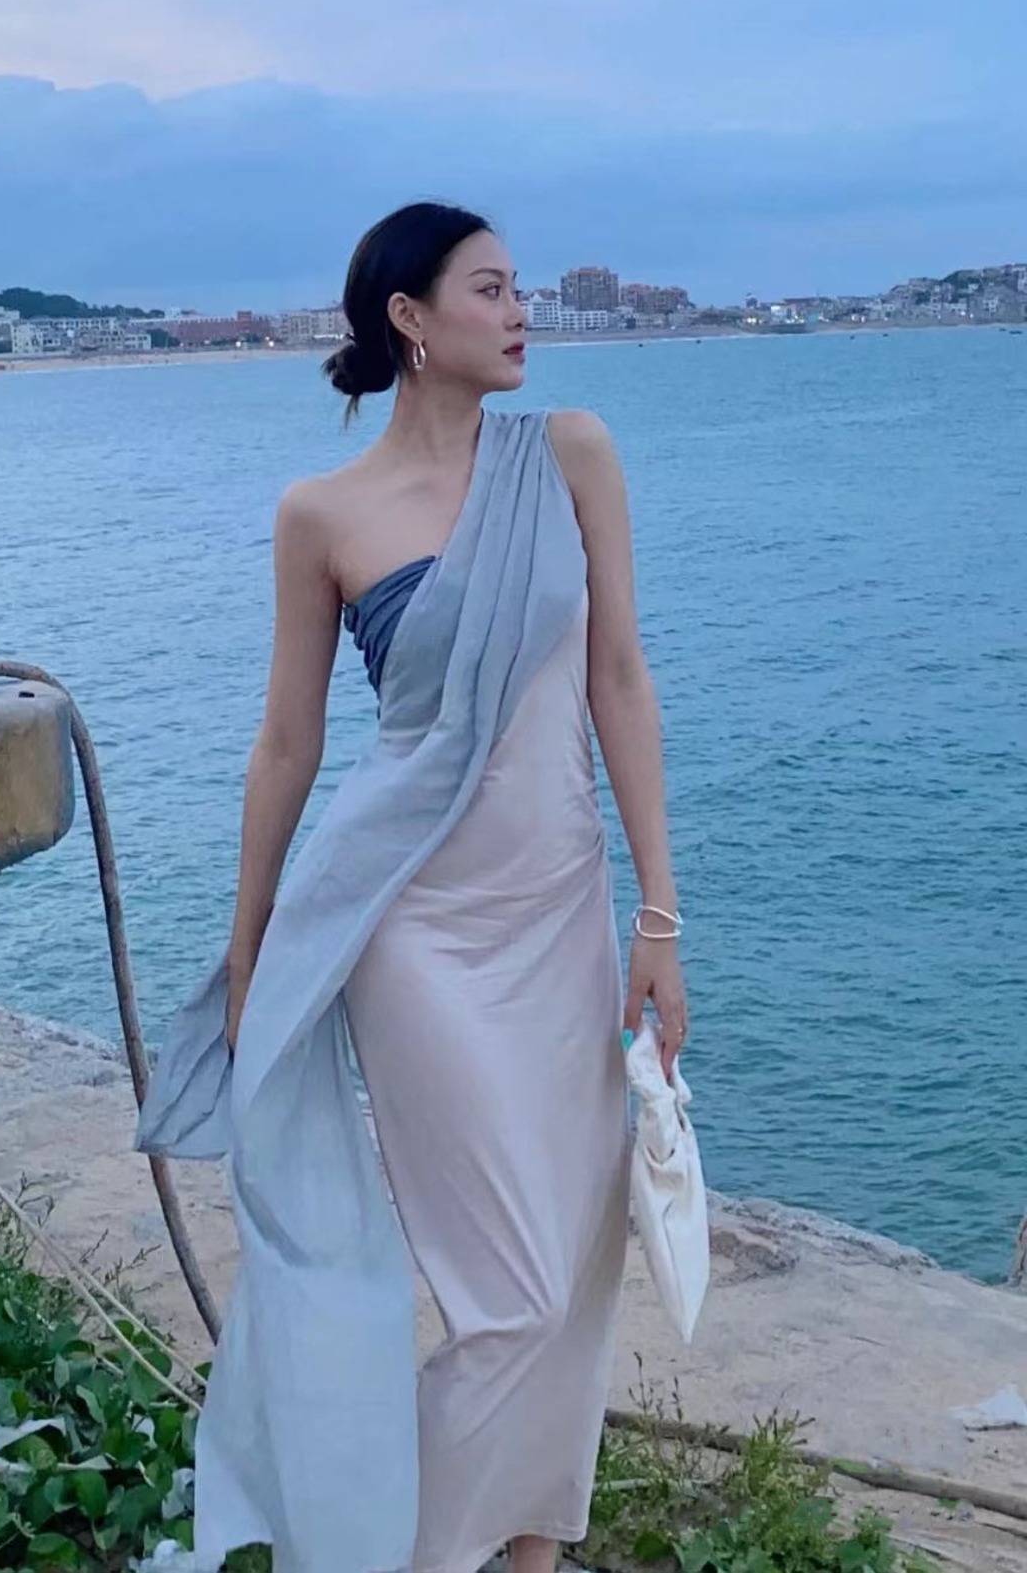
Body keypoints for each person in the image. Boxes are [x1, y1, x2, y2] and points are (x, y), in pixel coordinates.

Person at [138, 201, 688, 1573]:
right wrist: (250, 947)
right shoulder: (321, 514)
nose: (521, 312)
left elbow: (621, 678)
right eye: (490, 289)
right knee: (510, 1296)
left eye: (521, 287)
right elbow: (288, 742)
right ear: (411, 318)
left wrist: (659, 916)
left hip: (563, 909)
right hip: (413, 926)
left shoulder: (570, 454)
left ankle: (528, 1556)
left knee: (576, 1274)